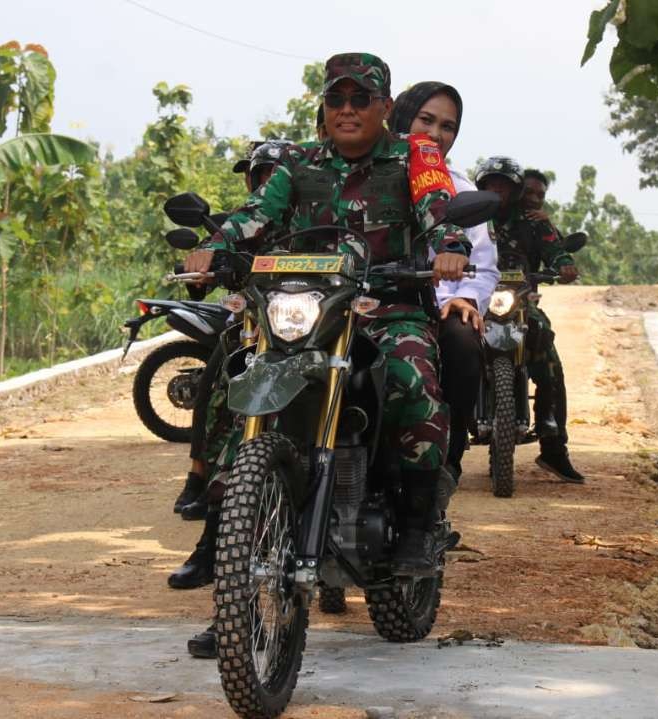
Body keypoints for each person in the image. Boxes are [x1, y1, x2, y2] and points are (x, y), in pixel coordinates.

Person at [184, 52, 471, 577]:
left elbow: (437, 205)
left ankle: (416, 527)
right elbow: (256, 215)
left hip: (388, 306)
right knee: (238, 380)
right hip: (308, 310)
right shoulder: (297, 161)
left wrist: (450, 244)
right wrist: (215, 248)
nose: (347, 109)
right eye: (336, 98)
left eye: (360, 98)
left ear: (384, 105)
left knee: (413, 379)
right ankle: (221, 546)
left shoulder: (415, 153)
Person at [388, 82, 499, 480]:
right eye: (426, 120)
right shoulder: (361, 173)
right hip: (364, 302)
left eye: (447, 126)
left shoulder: (460, 188)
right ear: (399, 115)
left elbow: (483, 265)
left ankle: (444, 465)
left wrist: (465, 297)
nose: (435, 134)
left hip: (432, 305)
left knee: (463, 338)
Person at [171, 141, 288, 519]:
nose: (270, 182)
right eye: (263, 175)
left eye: (277, 175)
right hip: (255, 320)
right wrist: (204, 263)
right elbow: (216, 246)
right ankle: (198, 474)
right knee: (220, 374)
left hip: (309, 319)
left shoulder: (312, 217)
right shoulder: (247, 220)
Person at [474, 156, 585, 483]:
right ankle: (442, 446)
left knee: (544, 341)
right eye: (491, 184)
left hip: (520, 297)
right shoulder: (468, 216)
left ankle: (552, 443)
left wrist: (564, 265)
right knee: (447, 344)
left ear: (516, 189)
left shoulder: (534, 221)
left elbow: (555, 250)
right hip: (474, 297)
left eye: (504, 185)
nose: (497, 190)